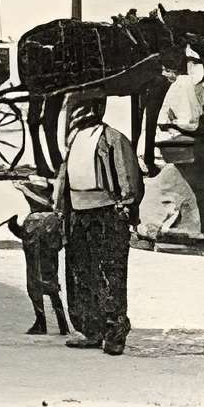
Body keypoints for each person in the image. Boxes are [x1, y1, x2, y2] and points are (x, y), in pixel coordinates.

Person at [135, 43, 204, 259]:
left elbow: (189, 121)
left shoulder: (183, 85)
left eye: (166, 69)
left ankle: (148, 233)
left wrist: (172, 123)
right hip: (203, 151)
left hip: (189, 151)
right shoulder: (196, 86)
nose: (164, 73)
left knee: (163, 191)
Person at [59, 88, 141, 355]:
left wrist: (126, 205)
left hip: (107, 214)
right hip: (78, 213)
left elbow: (127, 176)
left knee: (109, 274)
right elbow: (64, 181)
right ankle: (90, 329)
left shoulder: (113, 138)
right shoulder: (74, 141)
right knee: (81, 272)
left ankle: (114, 330)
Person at [9, 172, 70, 337]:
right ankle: (63, 324)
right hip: (50, 264)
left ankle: (41, 323)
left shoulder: (33, 220)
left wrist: (13, 226)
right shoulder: (54, 219)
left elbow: (25, 237)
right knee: (54, 291)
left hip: (35, 266)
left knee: (35, 290)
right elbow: (58, 243)